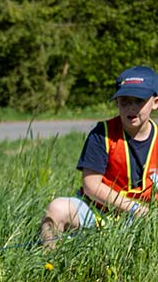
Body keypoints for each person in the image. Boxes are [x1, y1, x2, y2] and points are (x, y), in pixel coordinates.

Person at [41, 65, 158, 245]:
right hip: (99, 211)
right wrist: (133, 208)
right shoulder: (101, 133)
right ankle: (47, 263)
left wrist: (146, 215)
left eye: (139, 101)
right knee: (57, 208)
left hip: (147, 217)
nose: (131, 108)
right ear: (116, 103)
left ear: (155, 102)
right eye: (125, 101)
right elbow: (91, 186)